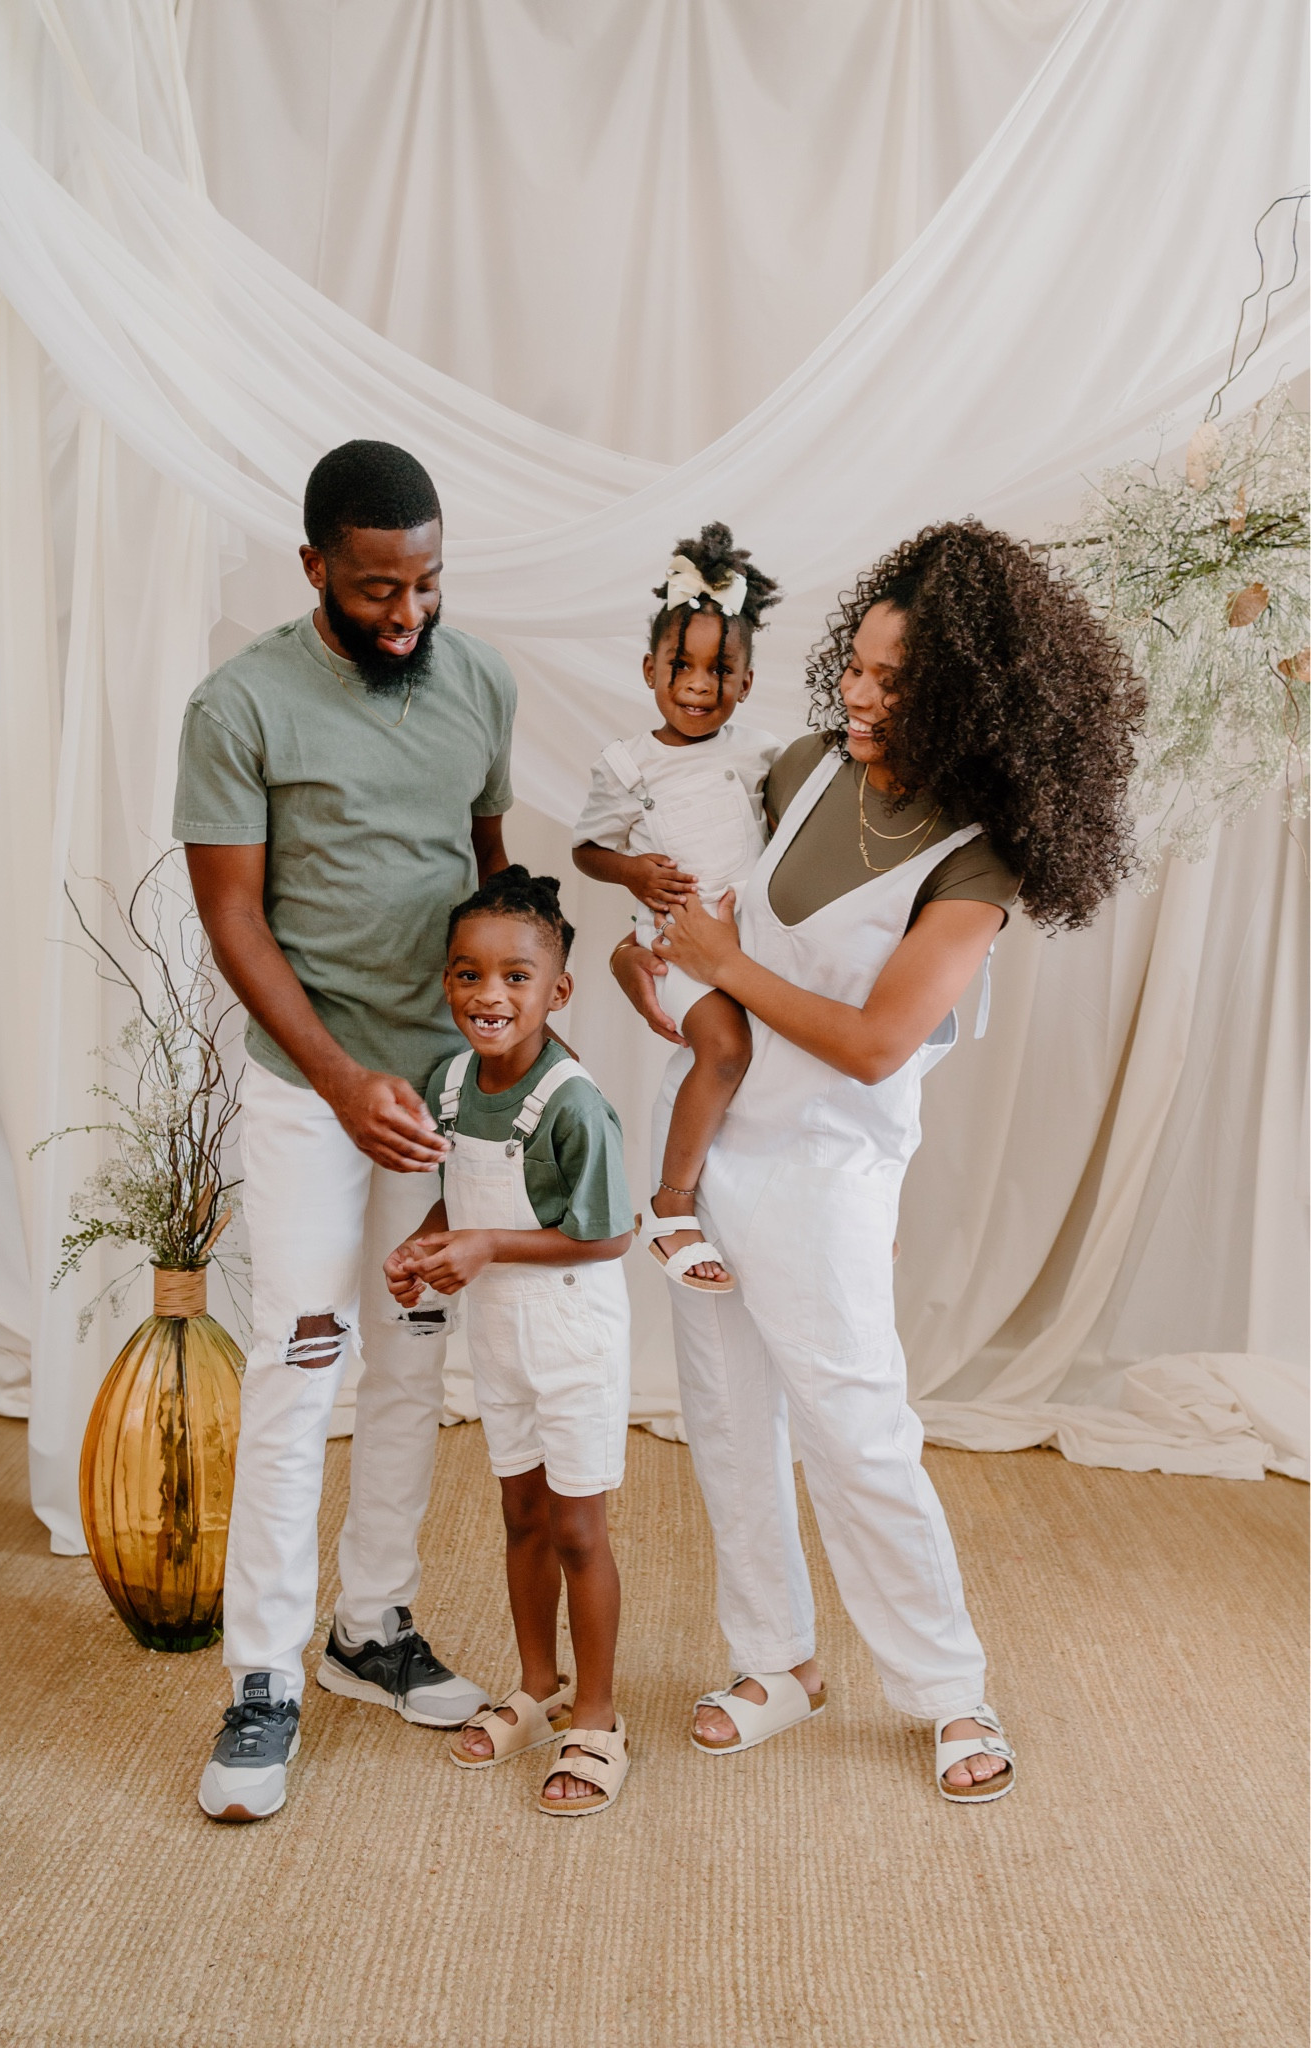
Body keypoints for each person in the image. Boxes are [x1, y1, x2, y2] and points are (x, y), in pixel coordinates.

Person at [613, 519, 1143, 1802]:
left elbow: (871, 1042)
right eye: (853, 663)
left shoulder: (976, 861)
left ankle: (950, 1689)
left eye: (893, 679)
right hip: (714, 1147)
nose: (854, 691)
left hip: (831, 1177)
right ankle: (776, 1661)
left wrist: (720, 967)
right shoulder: (796, 769)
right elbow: (679, 917)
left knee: (858, 1434)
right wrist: (652, 972)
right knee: (731, 1424)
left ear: (967, 695)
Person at [176, 440, 515, 1823]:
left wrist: (497, 1069)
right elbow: (231, 919)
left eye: (426, 584)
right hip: (312, 1095)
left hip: (438, 1094)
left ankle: (369, 1624)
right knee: (300, 1360)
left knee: (410, 1359)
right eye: (376, 588)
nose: (406, 616)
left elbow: (495, 880)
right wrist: (337, 1080)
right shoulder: (239, 703)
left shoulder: (478, 681)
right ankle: (261, 1679)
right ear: (312, 566)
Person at [385, 869, 635, 1816]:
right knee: (520, 1516)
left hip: (571, 1329)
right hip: (497, 1330)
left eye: (516, 978)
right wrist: (432, 1240)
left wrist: (486, 1246)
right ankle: (539, 1684)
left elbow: (610, 1232)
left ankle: (598, 1715)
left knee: (577, 1526)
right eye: (468, 974)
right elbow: (467, 1197)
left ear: (556, 991)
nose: (489, 996)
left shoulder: (572, 1102)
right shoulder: (447, 1083)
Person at [572, 523, 782, 1290]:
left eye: (719, 669)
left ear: (747, 681)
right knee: (725, 1050)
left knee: (794, 1054)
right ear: (650, 669)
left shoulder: (758, 753)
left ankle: (819, 1207)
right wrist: (631, 872)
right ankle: (669, 1204)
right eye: (681, 666)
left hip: (752, 940)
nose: (698, 684)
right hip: (679, 943)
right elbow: (586, 849)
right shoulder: (629, 764)